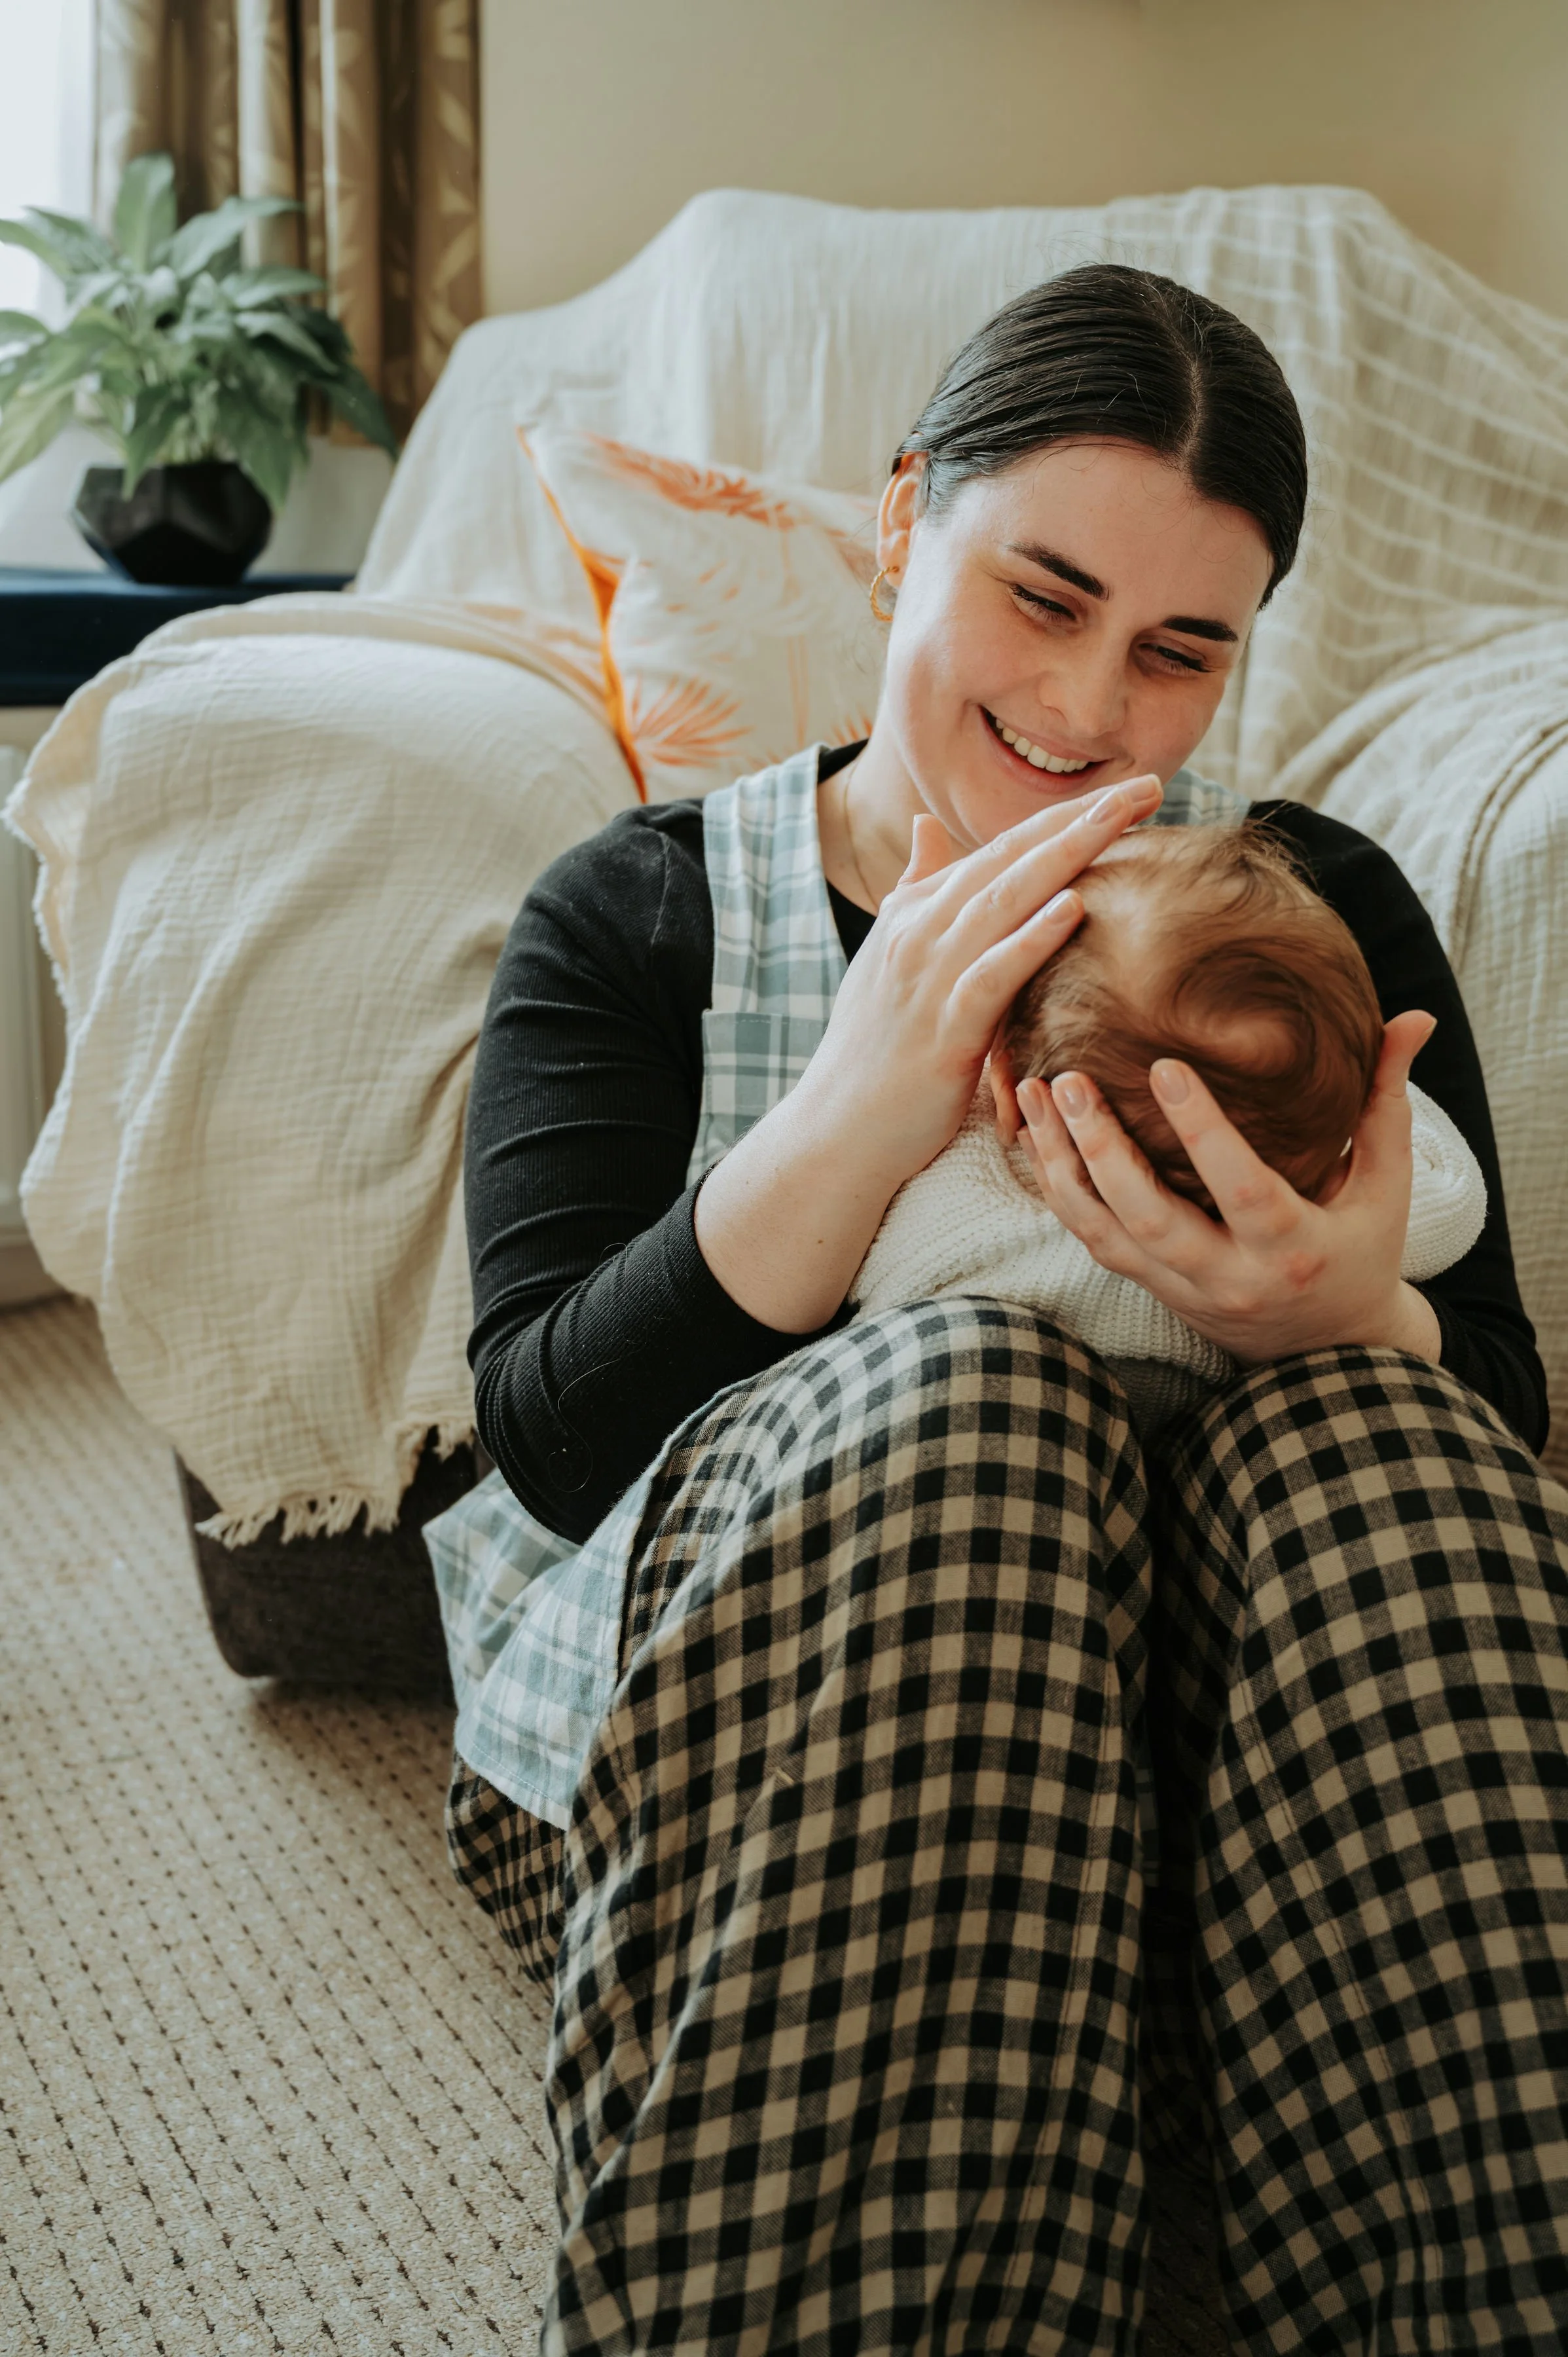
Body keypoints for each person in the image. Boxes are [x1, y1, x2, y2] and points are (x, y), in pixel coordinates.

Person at [433, 265, 1568, 2356]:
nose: (1092, 710)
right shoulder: (646, 906)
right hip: (761, 1732)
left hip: (1244, 1760)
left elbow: (1496, 1399)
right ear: (896, 526)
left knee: (1386, 1439)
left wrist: (1348, 1314)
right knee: (968, 1398)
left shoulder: (1310, 917)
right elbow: (548, 1436)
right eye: (1039, 599)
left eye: (1179, 649)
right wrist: (855, 1119)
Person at [850, 821, 1488, 1435]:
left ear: (1003, 1071)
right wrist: (1379, 1115)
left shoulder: (962, 1186)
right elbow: (1457, 1208)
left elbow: (879, 1301)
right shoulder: (1338, 1213)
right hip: (1242, 1467)